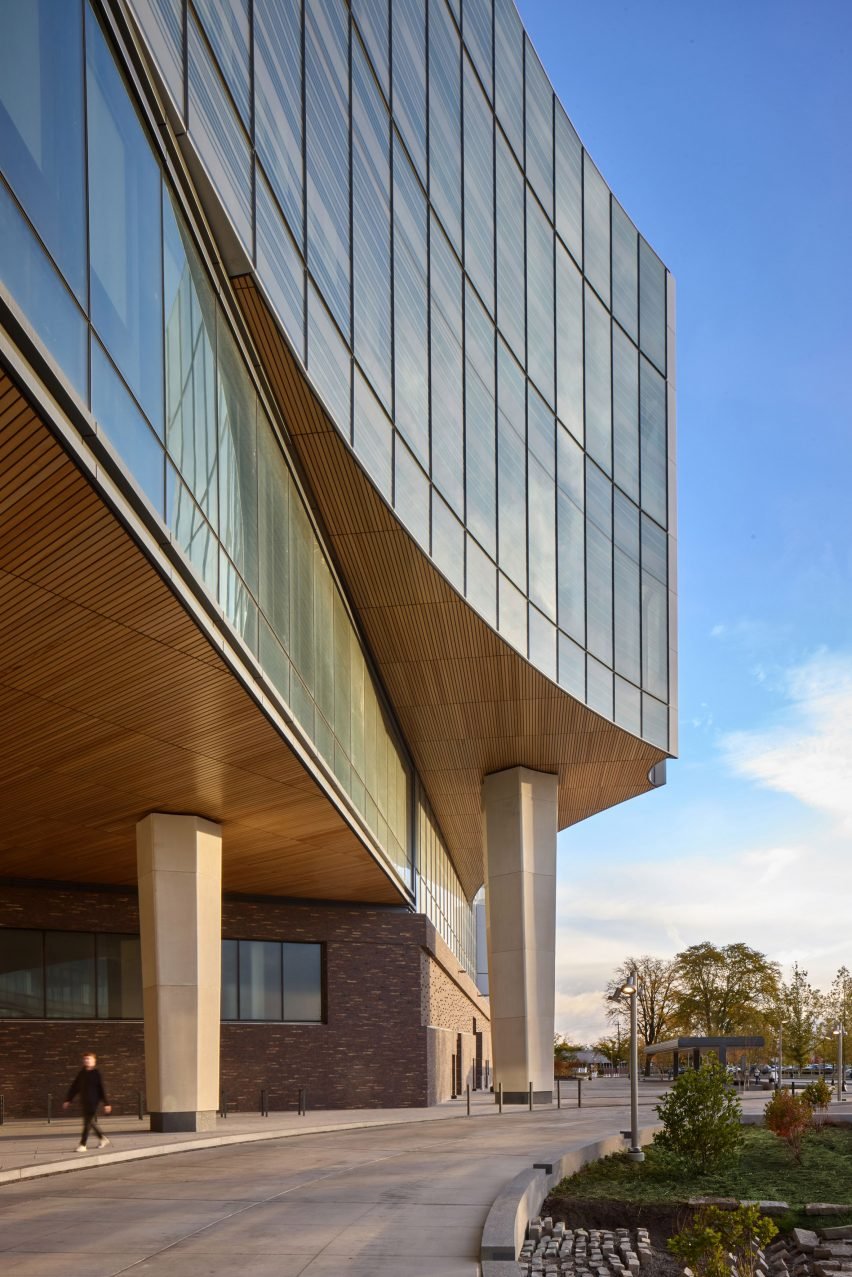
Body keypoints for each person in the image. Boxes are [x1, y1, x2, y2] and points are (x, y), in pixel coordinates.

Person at [63, 1052, 112, 1152]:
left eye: (89, 1059)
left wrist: (106, 1103)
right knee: (89, 1122)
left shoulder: (96, 1073)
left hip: (94, 1102)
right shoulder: (81, 1073)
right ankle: (102, 1138)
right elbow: (74, 1087)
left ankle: (83, 1144)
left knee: (87, 1122)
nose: (87, 1061)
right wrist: (68, 1099)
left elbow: (102, 1088)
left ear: (94, 1061)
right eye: (85, 1059)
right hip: (84, 1101)